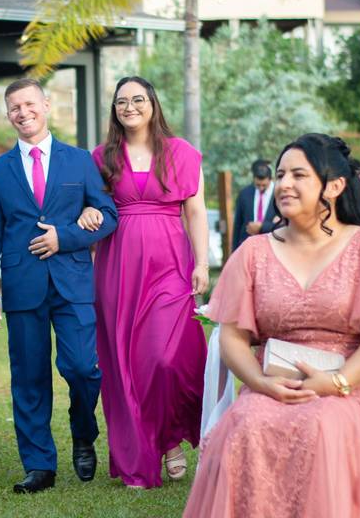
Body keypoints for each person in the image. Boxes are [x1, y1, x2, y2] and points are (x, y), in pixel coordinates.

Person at [183, 133, 360, 518]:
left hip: (349, 385)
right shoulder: (253, 252)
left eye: (299, 175)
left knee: (326, 424)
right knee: (245, 424)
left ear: (335, 186)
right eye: (281, 174)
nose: (284, 184)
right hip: (274, 382)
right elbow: (234, 338)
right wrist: (259, 383)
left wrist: (338, 381)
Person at [0, 78, 117, 494]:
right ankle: (39, 466)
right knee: (29, 377)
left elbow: (108, 215)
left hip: (73, 282)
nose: (23, 112)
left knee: (81, 368)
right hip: (22, 286)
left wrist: (67, 235)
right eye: (14, 107)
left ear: (46, 105)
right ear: (8, 115)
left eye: (29, 104)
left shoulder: (78, 161)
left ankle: (83, 432)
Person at [77, 75, 208, 488]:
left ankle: (170, 435)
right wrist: (86, 217)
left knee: (165, 358)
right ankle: (143, 454)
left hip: (170, 262)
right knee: (125, 363)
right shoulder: (101, 156)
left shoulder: (182, 152)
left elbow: (197, 212)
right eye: (121, 102)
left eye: (137, 99)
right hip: (117, 268)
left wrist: (202, 263)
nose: (129, 107)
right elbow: (89, 208)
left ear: (152, 103)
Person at [231, 159, 277, 249]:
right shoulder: (244, 193)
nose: (260, 188)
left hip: (272, 246)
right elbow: (238, 224)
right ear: (254, 179)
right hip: (248, 246)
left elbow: (285, 224)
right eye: (258, 185)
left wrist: (262, 227)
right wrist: (234, 251)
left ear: (270, 179)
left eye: (264, 185)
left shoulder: (279, 194)